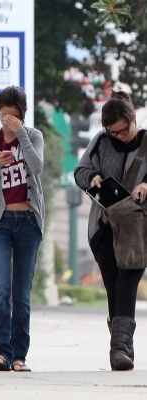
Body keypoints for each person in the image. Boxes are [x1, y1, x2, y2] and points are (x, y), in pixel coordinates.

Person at [74, 89, 146, 371]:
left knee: (127, 282)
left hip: (137, 229)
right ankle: (124, 346)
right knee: (113, 286)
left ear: (132, 118)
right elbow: (79, 171)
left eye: (123, 130)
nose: (119, 136)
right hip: (104, 227)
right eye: (113, 133)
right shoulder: (101, 142)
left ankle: (117, 349)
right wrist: (91, 176)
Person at [0, 86, 44, 372]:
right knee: (1, 288)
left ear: (22, 115)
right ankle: (2, 353)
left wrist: (21, 135)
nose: (7, 121)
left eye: (13, 116)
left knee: (22, 293)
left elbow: (37, 167)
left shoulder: (34, 136)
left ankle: (20, 355)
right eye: (3, 115)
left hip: (28, 221)